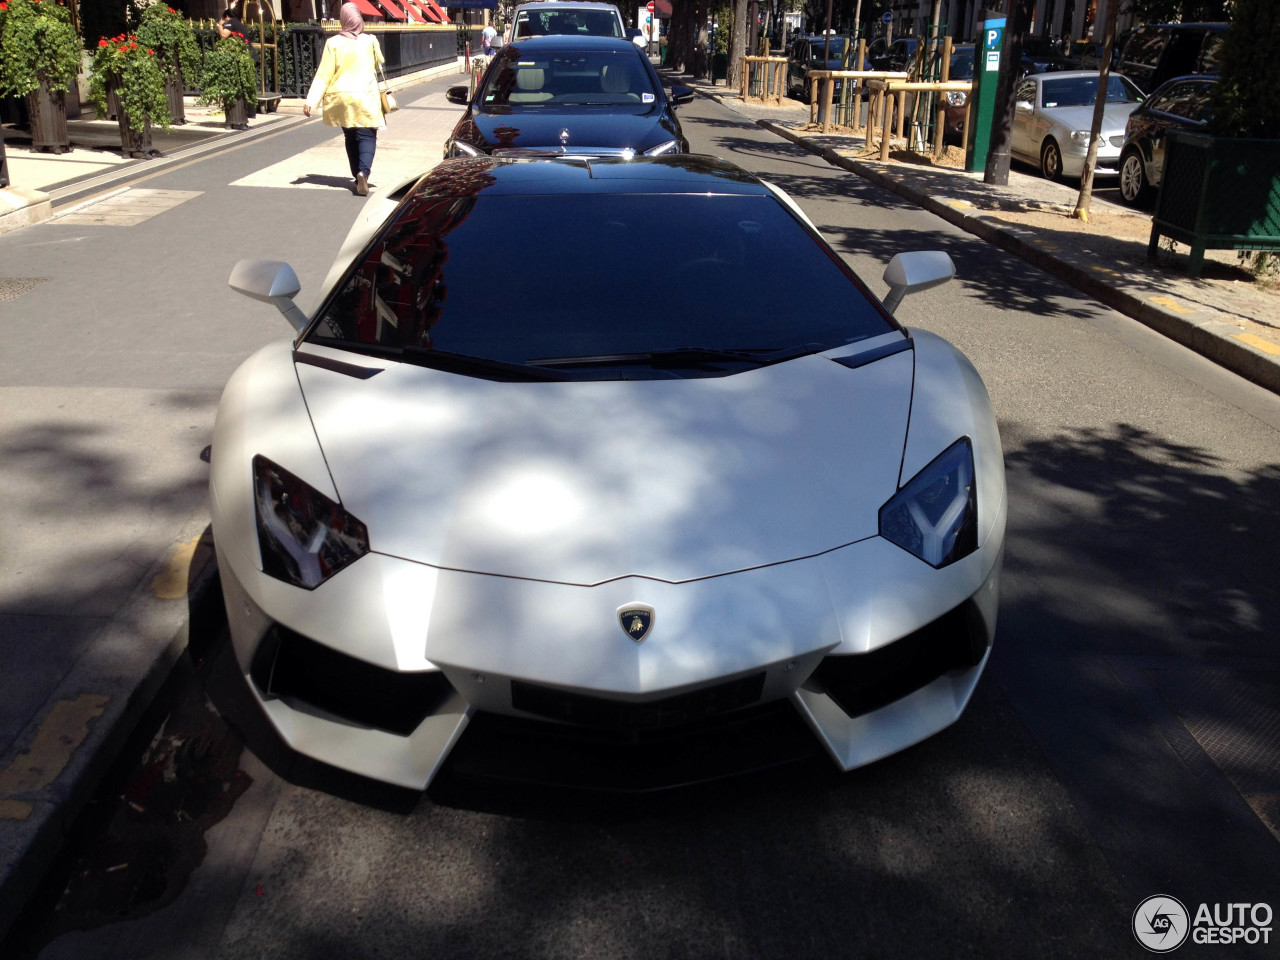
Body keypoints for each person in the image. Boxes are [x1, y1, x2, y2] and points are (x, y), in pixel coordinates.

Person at [303, 3, 386, 197]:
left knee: (350, 137)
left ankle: (357, 177)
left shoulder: (333, 43)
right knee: (367, 136)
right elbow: (379, 62)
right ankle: (363, 172)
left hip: (341, 98)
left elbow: (324, 74)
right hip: (365, 96)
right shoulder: (370, 41)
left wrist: (311, 100)